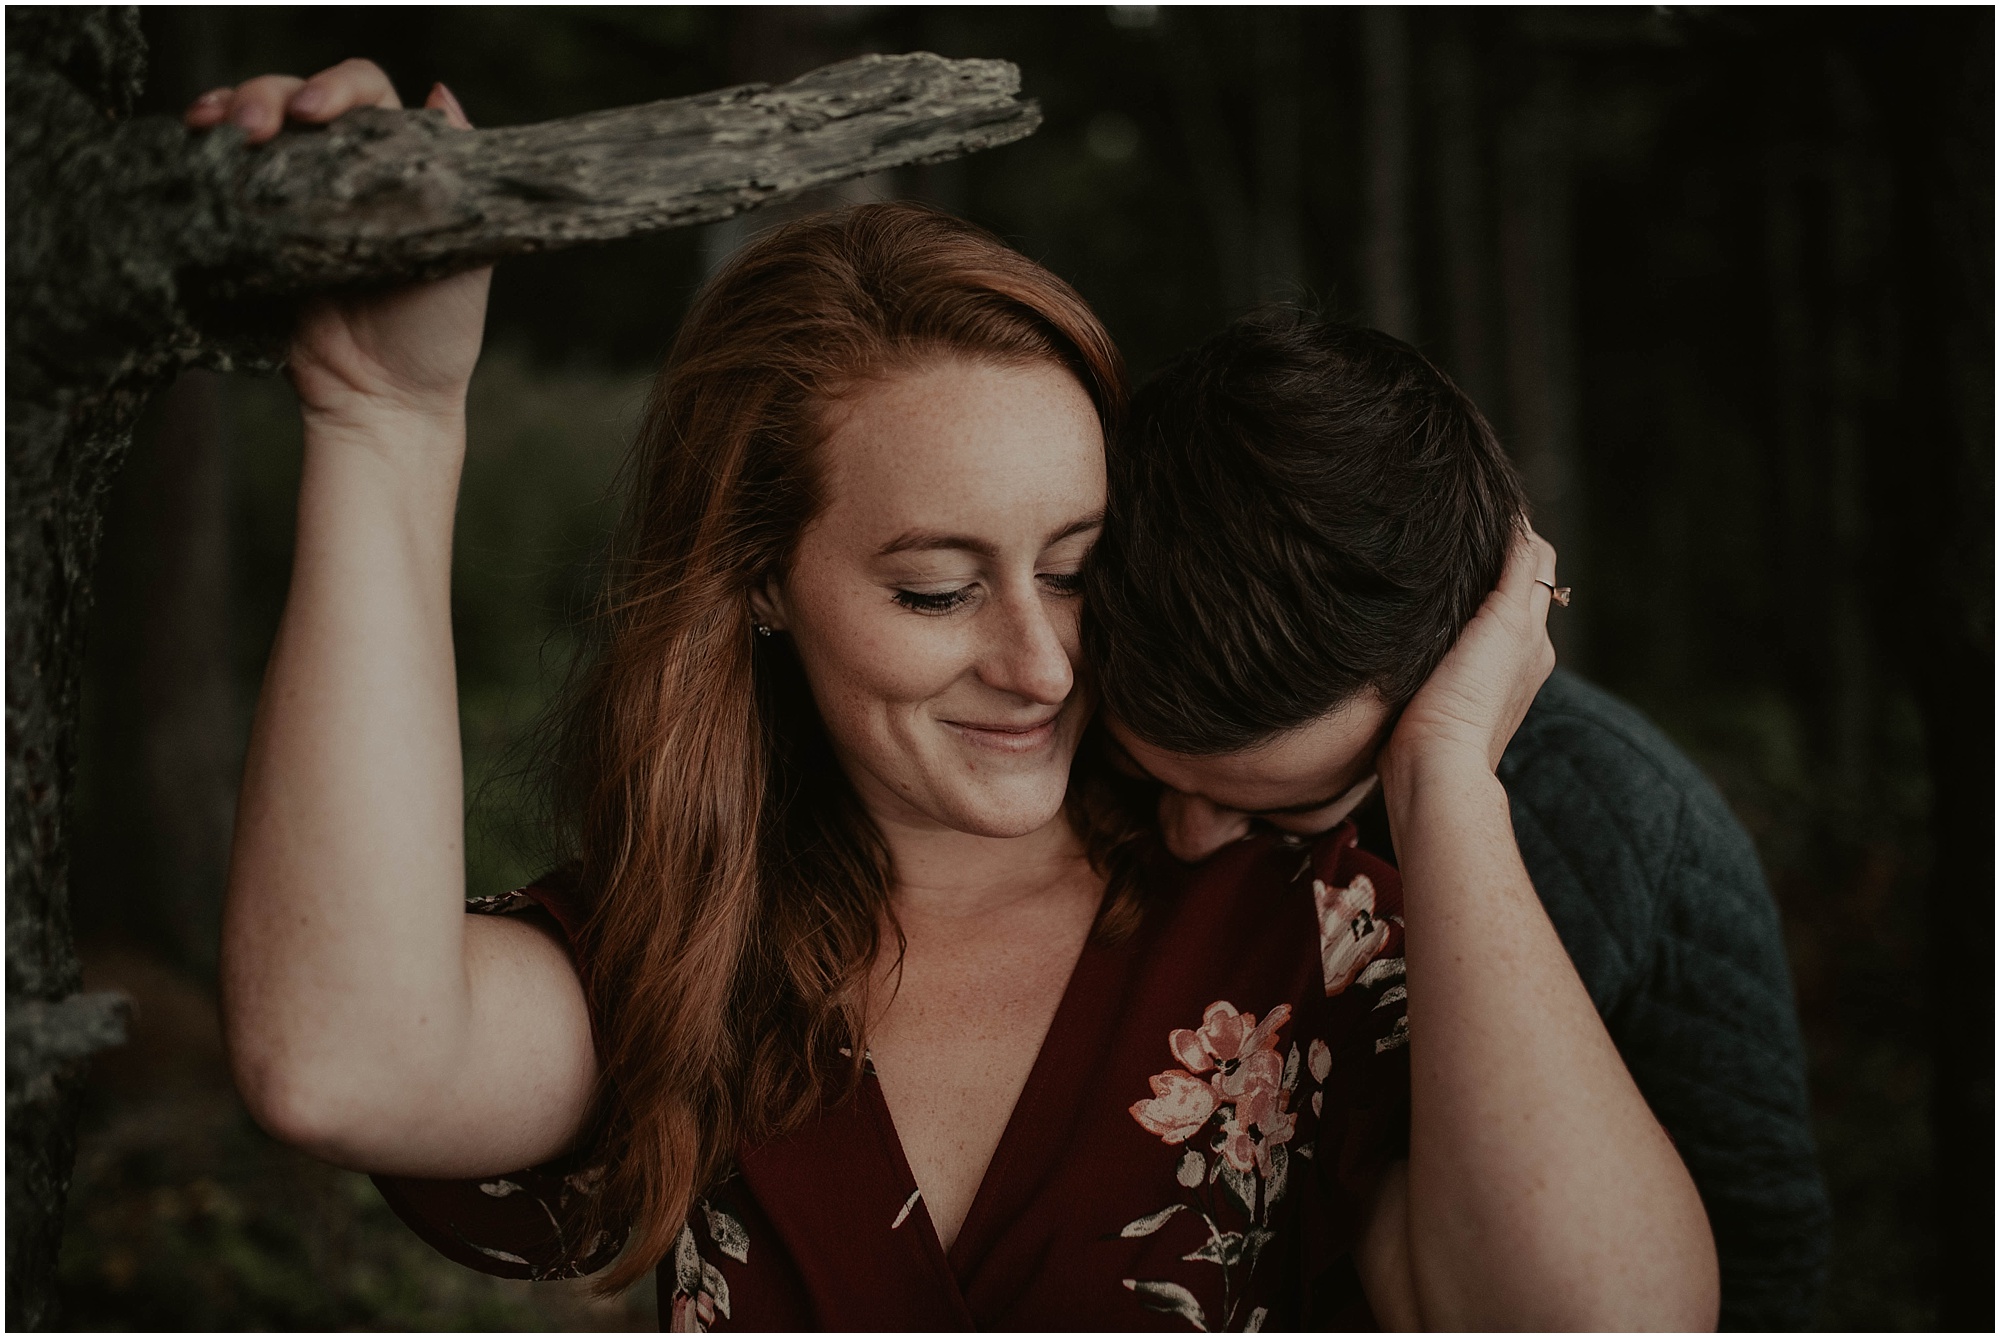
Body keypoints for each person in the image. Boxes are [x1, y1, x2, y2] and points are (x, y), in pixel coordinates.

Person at [194, 62, 1718, 1331]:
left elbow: (1610, 1324)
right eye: (937, 588)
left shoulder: (1305, 930)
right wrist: (387, 420)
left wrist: (1448, 779)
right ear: (760, 584)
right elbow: (343, 1058)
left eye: (1075, 565)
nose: (1043, 662)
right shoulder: (686, 956)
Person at [1083, 313, 1832, 1330]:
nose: (1187, 837)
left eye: (1289, 802)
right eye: (1144, 770)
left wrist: (1442, 784)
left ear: (1467, 670)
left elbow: (1758, 1280)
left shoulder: (1633, 827)